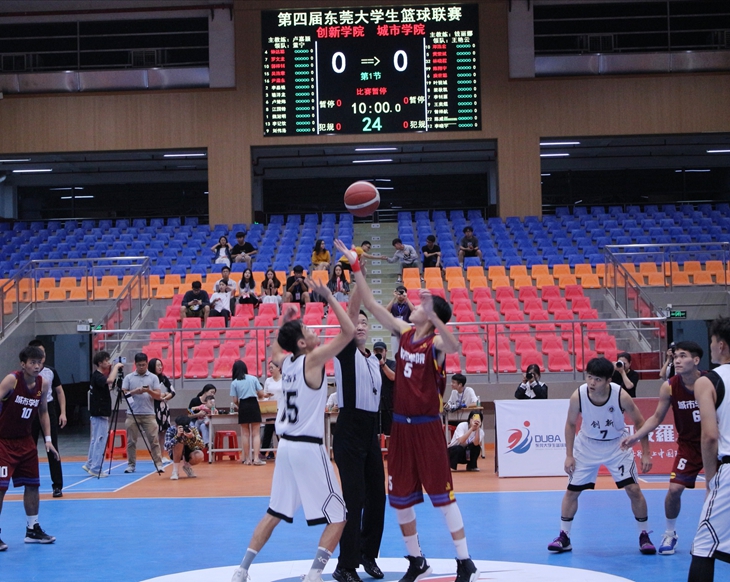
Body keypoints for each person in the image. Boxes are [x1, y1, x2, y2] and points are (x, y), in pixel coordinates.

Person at [334, 239, 480, 582]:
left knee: (443, 498)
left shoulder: (436, 342)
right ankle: (416, 559)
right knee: (399, 499)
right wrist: (356, 267)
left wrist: (435, 315)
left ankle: (464, 561)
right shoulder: (404, 331)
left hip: (427, 426)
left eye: (421, 306)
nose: (412, 306)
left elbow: (455, 345)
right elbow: (371, 303)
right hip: (400, 427)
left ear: (431, 317)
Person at [230, 277, 355, 582]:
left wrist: (284, 322)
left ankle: (241, 570)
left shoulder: (285, 364)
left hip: (285, 446)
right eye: (308, 330)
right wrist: (329, 297)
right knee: (339, 515)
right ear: (302, 344)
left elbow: (276, 349)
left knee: (274, 512)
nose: (314, 331)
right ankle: (314, 574)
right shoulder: (312, 360)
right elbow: (349, 332)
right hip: (307, 446)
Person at [547, 357, 655, 555]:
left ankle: (644, 535)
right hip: (587, 446)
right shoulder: (578, 395)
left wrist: (646, 453)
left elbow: (641, 422)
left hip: (617, 445)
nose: (591, 383)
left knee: (633, 489)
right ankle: (564, 536)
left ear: (608, 381)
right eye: (589, 377)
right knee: (572, 492)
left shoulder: (620, 395)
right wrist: (569, 455)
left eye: (597, 379)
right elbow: (570, 424)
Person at [620, 341, 705, 556]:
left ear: (696, 360)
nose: (677, 360)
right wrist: (636, 436)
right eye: (675, 356)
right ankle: (670, 533)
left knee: (716, 493)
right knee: (674, 490)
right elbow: (657, 417)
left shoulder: (710, 382)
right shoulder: (669, 386)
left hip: (713, 445)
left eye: (683, 356)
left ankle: (710, 536)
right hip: (688, 447)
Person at [331, 289, 386, 582]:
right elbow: (351, 314)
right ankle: (345, 565)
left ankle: (367, 554)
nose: (360, 325)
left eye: (365, 322)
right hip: (349, 430)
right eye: (356, 322)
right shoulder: (344, 352)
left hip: (370, 431)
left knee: (377, 496)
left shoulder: (374, 360)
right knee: (354, 500)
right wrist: (357, 276)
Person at [0, 346, 58, 550]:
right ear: (23, 364)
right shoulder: (12, 380)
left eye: (39, 362)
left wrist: (48, 439)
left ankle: (32, 529)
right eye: (32, 362)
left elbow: (43, 411)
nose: (36, 366)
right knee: (0, 488)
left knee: (33, 484)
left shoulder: (44, 383)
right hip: (3, 441)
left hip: (26, 441)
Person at [687, 317, 730, 581]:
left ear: (721, 345)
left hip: (728, 471)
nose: (711, 347)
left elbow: (710, 436)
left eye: (712, 342)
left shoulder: (709, 381)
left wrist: (711, 479)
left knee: (704, 544)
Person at [28, 339, 66, 498]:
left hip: (47, 409)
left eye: (43, 353)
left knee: (52, 447)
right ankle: (30, 483)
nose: (41, 356)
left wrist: (63, 412)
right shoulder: (24, 373)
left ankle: (57, 486)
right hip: (30, 409)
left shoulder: (51, 371)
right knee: (29, 449)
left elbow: (59, 392)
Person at [121, 353, 163, 474]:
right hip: (132, 414)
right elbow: (123, 394)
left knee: (154, 440)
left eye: (143, 365)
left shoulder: (153, 377)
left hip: (149, 414)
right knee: (131, 441)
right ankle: (131, 465)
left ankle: (159, 464)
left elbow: (158, 395)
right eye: (139, 365)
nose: (141, 367)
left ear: (147, 364)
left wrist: (148, 391)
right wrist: (135, 391)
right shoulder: (129, 377)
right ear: (135, 364)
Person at [84, 351, 124, 478]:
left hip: (98, 412)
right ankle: (96, 468)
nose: (108, 362)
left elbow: (109, 384)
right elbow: (110, 380)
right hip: (99, 413)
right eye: (106, 361)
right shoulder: (98, 376)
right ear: (100, 363)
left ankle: (90, 463)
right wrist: (116, 367)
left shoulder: (98, 376)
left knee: (95, 439)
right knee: (100, 441)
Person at [230, 359, 266, 465]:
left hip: (243, 405)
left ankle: (247, 459)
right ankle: (256, 459)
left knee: (245, 434)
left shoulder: (234, 382)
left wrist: (240, 406)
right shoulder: (253, 378)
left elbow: (235, 400)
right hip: (254, 404)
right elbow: (261, 394)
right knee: (256, 433)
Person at [149, 357, 176, 456]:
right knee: (154, 433)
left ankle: (162, 455)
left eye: (161, 365)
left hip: (164, 409)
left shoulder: (164, 378)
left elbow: (172, 391)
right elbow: (151, 394)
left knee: (163, 432)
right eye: (158, 365)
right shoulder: (149, 379)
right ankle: (155, 455)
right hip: (153, 408)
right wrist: (162, 395)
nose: (160, 367)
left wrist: (167, 396)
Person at [165, 415, 205, 480]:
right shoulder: (171, 430)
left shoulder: (192, 429)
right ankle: (175, 471)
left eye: (185, 426)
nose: (183, 429)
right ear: (176, 425)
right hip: (175, 453)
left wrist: (192, 437)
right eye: (181, 427)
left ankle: (187, 467)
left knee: (199, 455)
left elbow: (202, 445)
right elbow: (166, 447)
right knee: (179, 442)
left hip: (189, 451)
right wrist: (177, 436)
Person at [260, 360, 282, 461]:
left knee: (280, 431)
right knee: (268, 431)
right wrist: (266, 397)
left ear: (278, 368)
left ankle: (283, 451)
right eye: (269, 368)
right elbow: (264, 395)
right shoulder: (268, 381)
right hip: (271, 409)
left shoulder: (284, 379)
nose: (270, 370)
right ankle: (263, 452)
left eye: (272, 367)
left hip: (281, 409)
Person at [373, 341, 395, 437]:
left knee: (390, 434)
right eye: (376, 351)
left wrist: (382, 364)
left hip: (389, 405)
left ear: (386, 351)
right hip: (375, 405)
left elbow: (393, 377)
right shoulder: (371, 365)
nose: (379, 353)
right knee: (375, 435)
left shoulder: (392, 364)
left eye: (381, 351)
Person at [385, 285, 414, 355]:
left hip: (407, 332)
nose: (400, 295)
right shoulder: (394, 305)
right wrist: (394, 297)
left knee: (408, 353)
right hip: (395, 332)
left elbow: (414, 311)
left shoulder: (409, 304)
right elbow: (386, 311)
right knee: (395, 353)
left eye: (402, 293)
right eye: (399, 293)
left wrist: (407, 298)